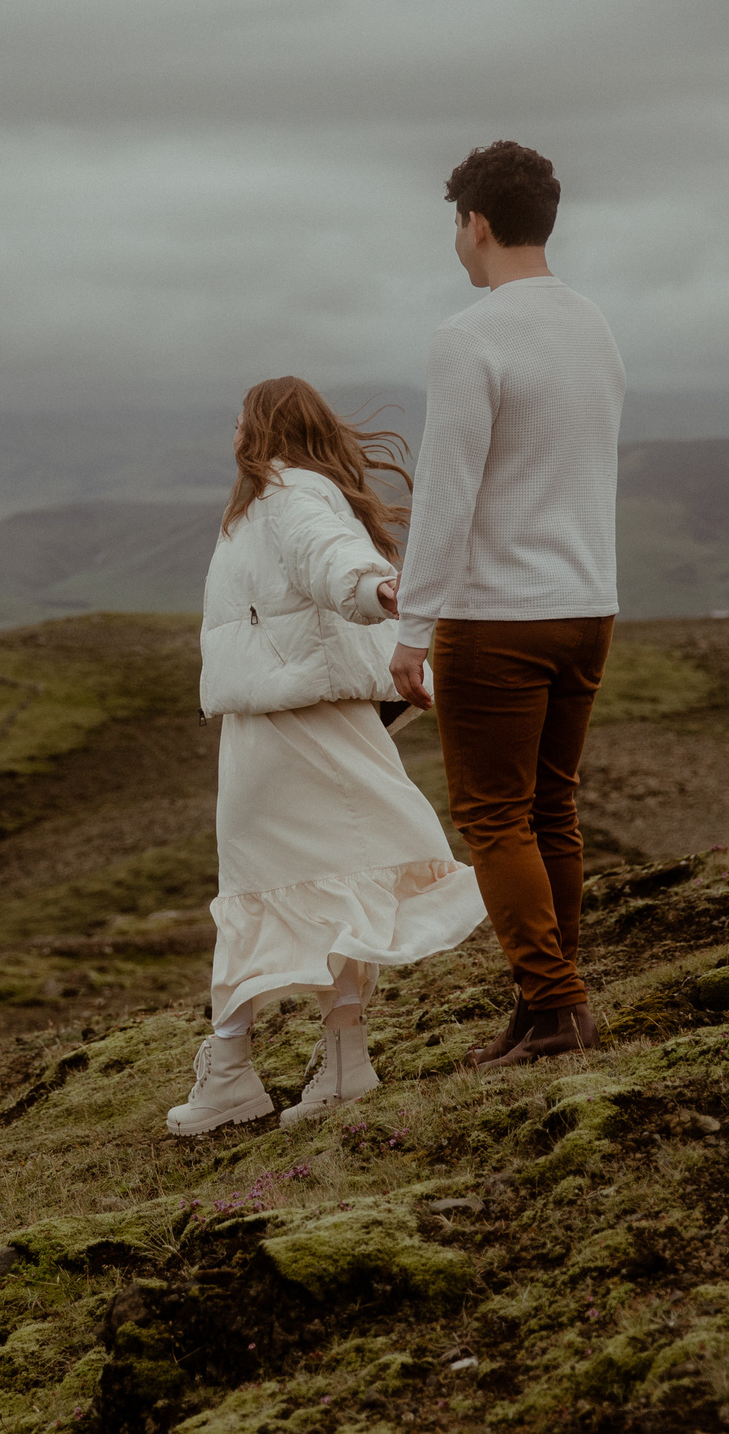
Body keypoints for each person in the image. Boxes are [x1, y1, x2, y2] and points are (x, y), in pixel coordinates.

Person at [166, 377, 488, 1137]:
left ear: (265, 429)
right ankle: (344, 1062)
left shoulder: (285, 497)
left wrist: (379, 589)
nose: (234, 432)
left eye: (242, 418)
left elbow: (330, 561)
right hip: (316, 717)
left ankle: (230, 1071)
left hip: (282, 725)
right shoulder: (298, 496)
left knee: (253, 889)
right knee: (336, 884)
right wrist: (382, 590)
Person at [389, 141, 624, 1070]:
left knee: (495, 818)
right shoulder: (594, 325)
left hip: (497, 616)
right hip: (588, 602)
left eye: (456, 221)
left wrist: (412, 631)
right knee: (551, 811)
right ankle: (541, 1007)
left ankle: (558, 1003)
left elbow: (448, 501)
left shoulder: (470, 337)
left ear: (474, 222)